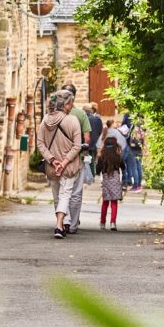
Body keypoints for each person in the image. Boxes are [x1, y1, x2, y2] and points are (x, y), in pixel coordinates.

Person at [37, 90, 82, 239]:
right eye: (70, 103)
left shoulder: (45, 120)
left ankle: (62, 223)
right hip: (68, 167)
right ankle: (59, 225)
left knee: (57, 196)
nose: (72, 106)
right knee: (65, 195)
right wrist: (63, 162)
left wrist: (52, 159)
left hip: (51, 167)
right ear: (66, 105)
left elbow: (40, 144)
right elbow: (77, 146)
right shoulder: (73, 120)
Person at [61, 88, 90, 233]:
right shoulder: (80, 114)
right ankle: (72, 225)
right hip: (76, 158)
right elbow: (87, 139)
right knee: (76, 193)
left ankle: (62, 222)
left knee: (62, 192)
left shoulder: (51, 115)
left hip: (58, 159)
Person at [97, 139, 124, 231]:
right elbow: (123, 167)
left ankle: (102, 223)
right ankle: (113, 223)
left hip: (106, 180)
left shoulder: (102, 157)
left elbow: (98, 170)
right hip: (115, 179)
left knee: (105, 202)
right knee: (114, 202)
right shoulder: (118, 157)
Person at [125, 124, 145, 191]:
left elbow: (128, 139)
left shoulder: (133, 129)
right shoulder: (141, 128)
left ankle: (135, 185)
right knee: (139, 167)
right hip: (139, 150)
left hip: (133, 150)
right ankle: (139, 184)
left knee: (134, 168)